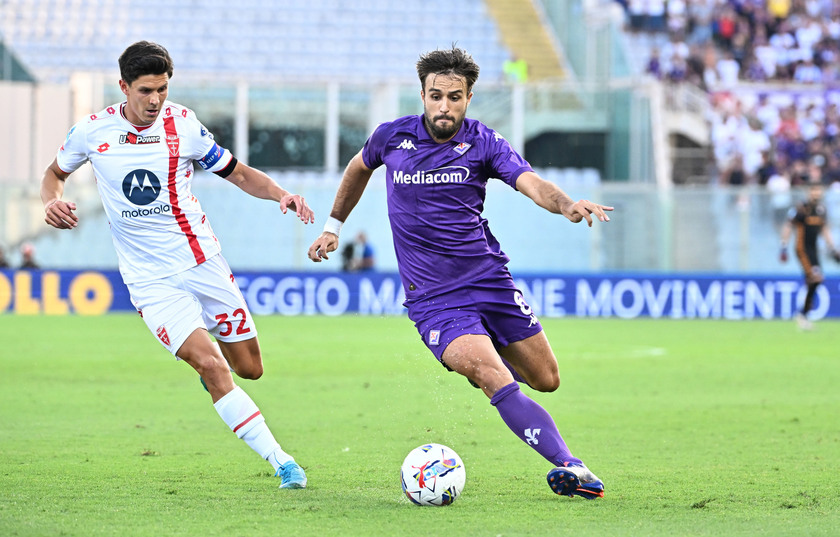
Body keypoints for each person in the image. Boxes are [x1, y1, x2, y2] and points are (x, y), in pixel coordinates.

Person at [307, 47, 612, 499]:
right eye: (435, 96)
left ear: (469, 97)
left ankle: (478, 358)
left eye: (454, 97)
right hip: (435, 299)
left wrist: (566, 203)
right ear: (423, 95)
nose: (443, 106)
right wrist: (334, 226)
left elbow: (532, 183)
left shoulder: (484, 142)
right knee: (494, 377)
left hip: (490, 282)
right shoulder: (391, 138)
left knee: (547, 379)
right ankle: (570, 466)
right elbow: (358, 168)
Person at [39, 41, 314, 489]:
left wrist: (281, 194)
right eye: (146, 90)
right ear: (124, 86)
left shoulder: (183, 124)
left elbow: (238, 172)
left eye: (163, 90)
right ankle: (283, 462)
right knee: (213, 367)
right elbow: (54, 174)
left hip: (203, 261)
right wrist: (52, 201)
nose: (155, 100)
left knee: (249, 368)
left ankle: (221, 382)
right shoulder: (92, 132)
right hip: (151, 280)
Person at [780, 181, 840, 330]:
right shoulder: (801, 209)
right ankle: (802, 315)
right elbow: (788, 226)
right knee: (816, 278)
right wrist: (783, 246)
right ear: (809, 192)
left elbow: (824, 229)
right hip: (802, 249)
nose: (816, 193)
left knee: (816, 281)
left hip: (813, 250)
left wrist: (833, 248)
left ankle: (803, 315)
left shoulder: (821, 210)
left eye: (818, 190)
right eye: (813, 190)